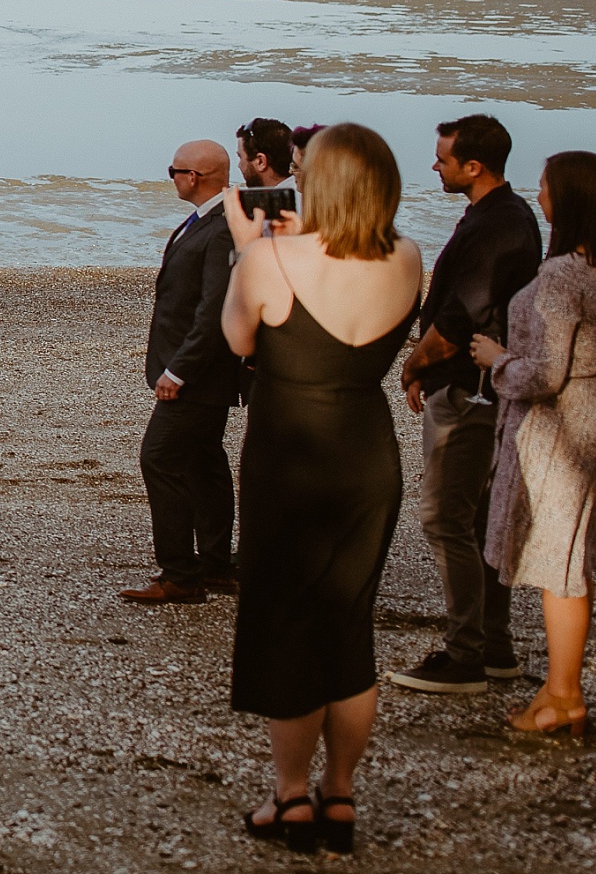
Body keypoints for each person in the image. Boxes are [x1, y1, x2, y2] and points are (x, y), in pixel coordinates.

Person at [224, 122, 421, 857]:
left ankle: (290, 796)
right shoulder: (408, 255)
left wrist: (253, 249)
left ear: (322, 182)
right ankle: (341, 793)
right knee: (347, 623)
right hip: (367, 453)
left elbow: (239, 339)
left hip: (288, 453)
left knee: (284, 622)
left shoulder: (271, 257)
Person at [470, 151, 596, 735]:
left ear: (565, 200)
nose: (536, 195)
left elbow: (543, 375)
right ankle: (558, 687)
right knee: (571, 552)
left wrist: (497, 360)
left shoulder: (564, 274)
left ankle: (565, 693)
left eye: (543, 187)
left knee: (557, 558)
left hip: (560, 424)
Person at [390, 114, 541, 696]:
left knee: (446, 517)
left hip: (469, 390)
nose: (435, 165)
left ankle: (465, 654)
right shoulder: (506, 216)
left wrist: (415, 364)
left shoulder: (497, 224)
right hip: (473, 383)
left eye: (443, 158)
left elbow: (460, 317)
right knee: (478, 519)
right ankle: (495, 647)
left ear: (473, 166)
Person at [121, 138, 240, 605]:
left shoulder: (223, 226)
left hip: (198, 374)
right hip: (196, 369)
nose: (170, 177)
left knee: (160, 457)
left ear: (194, 177)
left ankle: (180, 573)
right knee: (205, 461)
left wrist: (179, 371)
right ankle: (215, 564)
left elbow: (213, 311)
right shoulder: (206, 221)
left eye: (174, 170)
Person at [237, 118, 296, 194]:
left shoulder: (281, 203)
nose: (239, 165)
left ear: (261, 161)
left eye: (240, 157)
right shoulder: (306, 194)